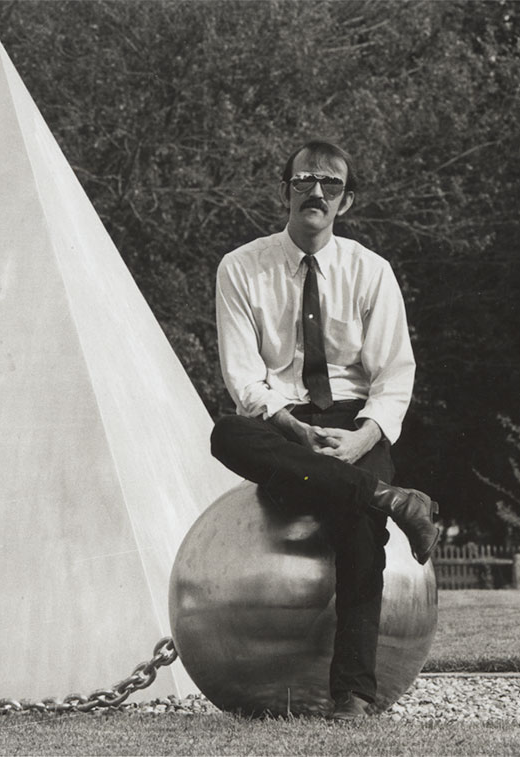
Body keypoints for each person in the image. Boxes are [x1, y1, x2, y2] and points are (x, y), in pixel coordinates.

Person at [210, 139, 441, 720]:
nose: (316, 192)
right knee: (225, 435)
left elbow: (394, 374)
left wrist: (363, 438)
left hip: (353, 422)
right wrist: (290, 425)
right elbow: (243, 377)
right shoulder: (240, 268)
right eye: (304, 181)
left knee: (361, 529)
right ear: (284, 191)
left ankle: (354, 693)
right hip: (281, 422)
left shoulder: (372, 272)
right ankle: (391, 499)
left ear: (347, 200)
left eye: (330, 185)